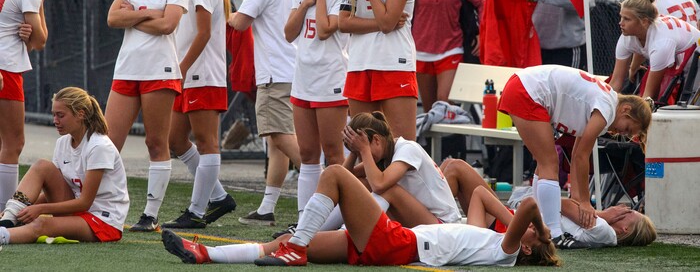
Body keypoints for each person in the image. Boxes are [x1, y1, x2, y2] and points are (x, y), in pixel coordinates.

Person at [162, 165, 560, 267]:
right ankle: (205, 256)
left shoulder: (506, 253)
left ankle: (298, 248)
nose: (521, 231)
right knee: (280, 244)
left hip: (399, 242)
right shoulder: (488, 239)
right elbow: (477, 193)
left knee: (335, 173)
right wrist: (524, 228)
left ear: (527, 250)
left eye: (527, 237)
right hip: (390, 247)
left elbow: (527, 208)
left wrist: (542, 232)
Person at [497, 64, 652, 245]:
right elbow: (581, 156)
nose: (621, 133)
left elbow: (577, 153)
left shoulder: (606, 103)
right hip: (527, 90)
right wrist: (585, 203)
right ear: (625, 109)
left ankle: (541, 218)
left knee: (544, 163)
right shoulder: (607, 109)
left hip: (524, 86)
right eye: (627, 129)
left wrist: (578, 199)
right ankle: (554, 234)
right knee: (550, 163)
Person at [105, 0, 188, 232]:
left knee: (156, 142)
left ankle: (149, 214)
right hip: (127, 69)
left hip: (159, 71)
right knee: (109, 143)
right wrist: (149, 12)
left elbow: (168, 25)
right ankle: (106, 206)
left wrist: (134, 14)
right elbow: (113, 18)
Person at [161, 0, 237, 229]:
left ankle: (195, 211)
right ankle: (218, 197)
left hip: (203, 73)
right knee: (175, 139)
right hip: (191, 73)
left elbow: (204, 33)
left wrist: (181, 67)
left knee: (207, 143)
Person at [228, 0, 302, 226]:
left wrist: (221, 13)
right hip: (296, 70)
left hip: (275, 72)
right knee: (279, 141)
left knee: (277, 135)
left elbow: (241, 21)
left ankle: (326, 184)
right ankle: (267, 207)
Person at [282, 0, 353, 226]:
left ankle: (337, 221)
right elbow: (288, 33)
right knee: (308, 154)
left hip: (331, 78)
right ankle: (304, 221)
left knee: (335, 154)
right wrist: (306, 1)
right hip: (304, 77)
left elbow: (325, 30)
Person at [0, 87, 129, 244]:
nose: (55, 120)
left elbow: (85, 202)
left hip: (103, 221)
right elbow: (51, 192)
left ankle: (4, 233)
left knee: (42, 223)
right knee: (42, 166)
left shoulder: (99, 146)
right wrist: (20, 211)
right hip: (77, 211)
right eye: (54, 114)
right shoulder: (62, 143)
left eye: (61, 115)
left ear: (80, 114)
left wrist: (40, 209)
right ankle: (8, 219)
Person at [441, 158, 657, 248]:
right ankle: (436, 222)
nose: (623, 208)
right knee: (451, 166)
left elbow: (561, 203)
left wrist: (602, 213)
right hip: (513, 221)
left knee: (456, 169)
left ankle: (436, 225)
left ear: (626, 228)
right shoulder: (601, 231)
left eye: (629, 212)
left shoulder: (606, 233)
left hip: (513, 227)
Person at [0, 0, 66, 211]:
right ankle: (4, 211)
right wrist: (40, 4)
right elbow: (40, 40)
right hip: (7, 68)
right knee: (14, 144)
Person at [338, 0, 418, 141]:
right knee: (364, 141)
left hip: (393, 63)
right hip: (360, 63)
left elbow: (387, 24)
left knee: (402, 143)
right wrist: (382, 21)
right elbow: (344, 23)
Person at [341, 111, 461, 227]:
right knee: (360, 184)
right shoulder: (383, 155)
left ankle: (350, 231)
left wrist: (364, 149)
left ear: (377, 140)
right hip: (424, 220)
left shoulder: (408, 149)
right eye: (359, 153)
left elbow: (379, 185)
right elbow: (345, 179)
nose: (363, 158)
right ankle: (332, 228)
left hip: (444, 225)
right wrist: (354, 152)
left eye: (363, 151)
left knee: (388, 190)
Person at [412, 0, 484, 112]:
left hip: (451, 49)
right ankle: (431, 142)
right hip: (420, 51)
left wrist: (483, 33)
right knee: (430, 110)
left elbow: (481, 3)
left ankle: (454, 141)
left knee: (444, 103)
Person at [610, 0, 700, 102]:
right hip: (679, 58)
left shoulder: (661, 43)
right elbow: (616, 83)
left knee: (691, 105)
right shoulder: (626, 37)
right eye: (621, 17)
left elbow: (649, 97)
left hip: (696, 59)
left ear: (644, 21)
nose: (620, 23)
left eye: (627, 19)